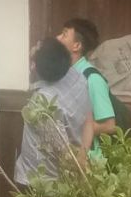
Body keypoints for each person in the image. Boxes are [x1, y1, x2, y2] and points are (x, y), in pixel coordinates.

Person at [14, 38, 93, 187]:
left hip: (43, 183)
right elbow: (89, 120)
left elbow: (64, 152)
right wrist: (83, 155)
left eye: (37, 47)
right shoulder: (78, 77)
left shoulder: (42, 102)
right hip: (70, 175)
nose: (34, 47)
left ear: (35, 66)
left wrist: (80, 165)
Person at [57, 18, 115, 152]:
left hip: (88, 159)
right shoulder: (64, 75)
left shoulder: (92, 78)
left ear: (76, 46)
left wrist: (75, 130)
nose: (58, 38)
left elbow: (109, 126)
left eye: (64, 35)